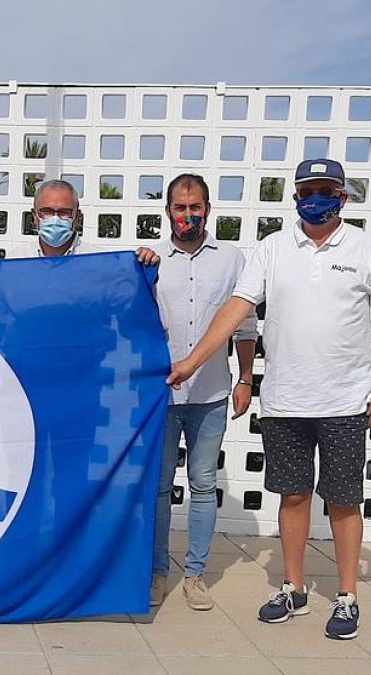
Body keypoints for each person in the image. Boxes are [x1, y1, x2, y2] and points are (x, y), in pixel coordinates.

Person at [167, 159, 371, 640]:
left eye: (325, 190)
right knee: (293, 495)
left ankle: (346, 596)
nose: (315, 198)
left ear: (342, 197)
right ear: (295, 196)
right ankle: (293, 588)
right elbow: (236, 309)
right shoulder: (273, 249)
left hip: (346, 400)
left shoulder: (367, 247)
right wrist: (193, 362)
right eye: (307, 190)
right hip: (285, 400)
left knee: (342, 500)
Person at [150, 174, 257, 611]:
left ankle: (195, 574)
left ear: (208, 209)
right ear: (169, 212)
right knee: (158, 487)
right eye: (180, 207)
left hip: (212, 391)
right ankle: (157, 571)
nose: (187, 215)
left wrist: (246, 379)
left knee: (203, 482)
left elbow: (246, 324)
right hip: (162, 394)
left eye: (195, 207)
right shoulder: (151, 257)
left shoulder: (232, 259)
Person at [7, 178, 161, 266]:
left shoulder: (99, 262)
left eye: (64, 212)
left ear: (77, 217)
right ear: (34, 215)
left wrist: (145, 265)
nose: (55, 218)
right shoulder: (14, 261)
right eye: (46, 212)